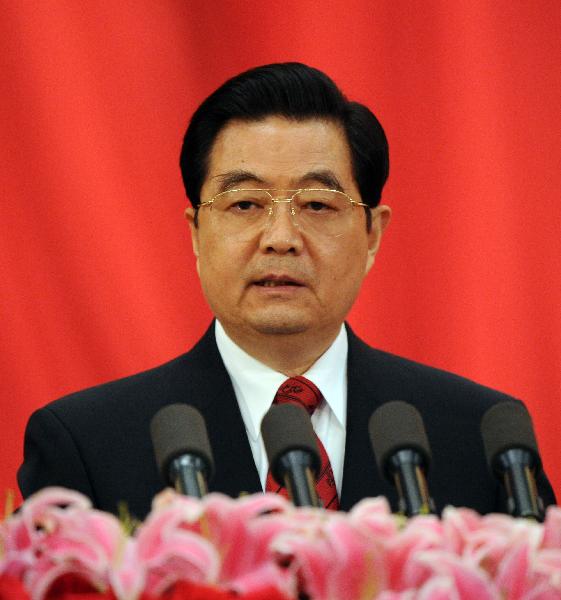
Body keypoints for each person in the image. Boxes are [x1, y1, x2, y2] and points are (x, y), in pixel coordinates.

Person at [18, 62, 555, 520]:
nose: (280, 238)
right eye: (245, 204)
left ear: (372, 234)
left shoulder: (482, 440)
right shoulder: (87, 446)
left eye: (317, 205)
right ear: (196, 233)